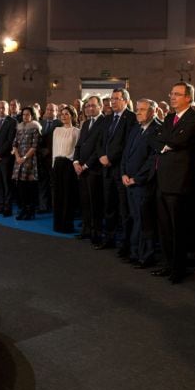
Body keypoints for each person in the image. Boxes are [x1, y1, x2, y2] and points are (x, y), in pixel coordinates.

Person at [152, 82, 195, 283]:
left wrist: (166, 143)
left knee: (178, 228)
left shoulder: (194, 119)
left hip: (180, 182)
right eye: (171, 93)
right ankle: (167, 264)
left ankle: (178, 269)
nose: (172, 97)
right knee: (164, 227)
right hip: (163, 180)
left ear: (188, 98)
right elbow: (157, 140)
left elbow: (177, 142)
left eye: (177, 94)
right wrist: (166, 144)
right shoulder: (169, 117)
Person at [95, 88, 137, 255]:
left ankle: (126, 244)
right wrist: (101, 156)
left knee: (124, 210)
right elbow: (100, 141)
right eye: (111, 99)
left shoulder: (131, 118)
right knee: (109, 207)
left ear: (125, 101)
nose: (112, 102)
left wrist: (110, 158)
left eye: (116, 99)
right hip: (106, 170)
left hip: (121, 170)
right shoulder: (107, 119)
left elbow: (127, 144)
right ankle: (109, 238)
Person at [121, 99, 161, 268]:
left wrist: (137, 178)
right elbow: (126, 153)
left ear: (153, 111)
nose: (138, 113)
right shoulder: (135, 128)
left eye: (143, 110)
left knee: (145, 221)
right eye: (137, 110)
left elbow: (153, 159)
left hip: (144, 184)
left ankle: (146, 256)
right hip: (129, 181)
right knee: (135, 218)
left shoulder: (158, 129)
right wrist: (123, 172)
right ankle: (135, 252)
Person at [73, 96, 105, 243]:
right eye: (87, 106)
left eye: (93, 106)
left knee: (95, 203)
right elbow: (79, 145)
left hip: (94, 170)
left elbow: (100, 148)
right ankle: (85, 229)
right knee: (84, 202)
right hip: (81, 169)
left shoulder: (105, 122)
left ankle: (96, 233)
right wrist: (76, 162)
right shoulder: (85, 124)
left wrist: (86, 165)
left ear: (100, 107)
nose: (89, 108)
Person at [51, 105, 80, 233]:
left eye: (66, 113)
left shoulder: (76, 131)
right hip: (57, 164)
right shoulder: (56, 130)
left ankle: (67, 225)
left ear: (72, 116)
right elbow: (54, 149)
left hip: (69, 165)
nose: (63, 116)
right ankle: (57, 225)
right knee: (57, 196)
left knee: (68, 196)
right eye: (62, 114)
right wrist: (53, 165)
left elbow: (77, 151)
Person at [11, 106, 41, 220]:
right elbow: (14, 144)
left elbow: (34, 146)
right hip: (19, 161)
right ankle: (23, 209)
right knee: (21, 187)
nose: (25, 116)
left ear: (32, 115)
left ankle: (30, 211)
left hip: (30, 161)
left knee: (30, 188)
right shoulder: (19, 127)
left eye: (28, 114)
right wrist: (18, 157)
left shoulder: (35, 127)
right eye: (24, 114)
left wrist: (23, 157)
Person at [0, 100, 17, 216]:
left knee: (7, 184)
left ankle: (7, 208)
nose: (1, 110)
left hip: (5, 158)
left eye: (3, 108)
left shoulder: (12, 122)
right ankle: (0, 206)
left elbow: (10, 141)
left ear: (8, 109)